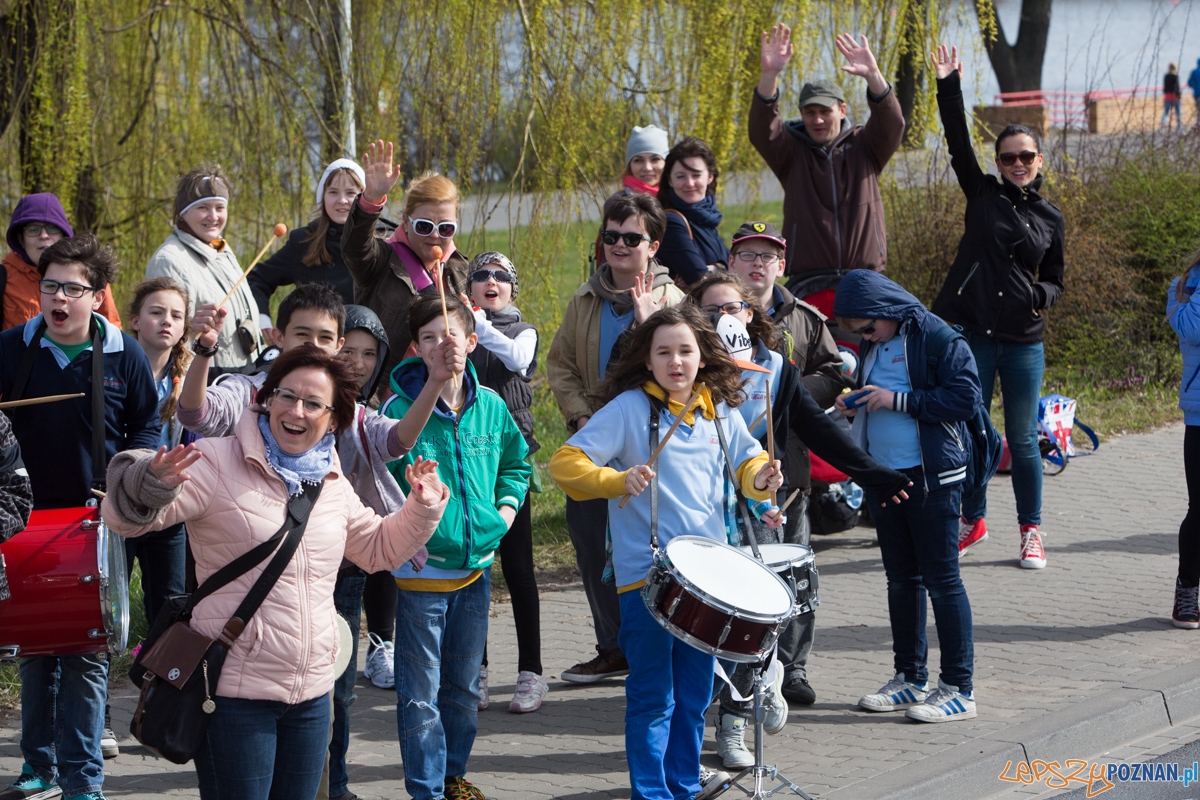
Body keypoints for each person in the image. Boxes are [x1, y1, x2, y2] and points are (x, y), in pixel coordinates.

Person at [101, 346, 450, 800]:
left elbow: (378, 548)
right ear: (267, 399)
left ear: (334, 420)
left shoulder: (332, 482)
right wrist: (148, 483)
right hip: (232, 693)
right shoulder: (215, 460)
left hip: (312, 694)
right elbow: (125, 520)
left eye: (313, 404)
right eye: (287, 396)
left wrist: (421, 507)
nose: (297, 411)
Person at [549, 303, 784, 800]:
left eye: (685, 351)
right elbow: (565, 463)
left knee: (695, 696)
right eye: (663, 352)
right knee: (653, 696)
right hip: (647, 577)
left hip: (709, 583)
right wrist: (616, 480)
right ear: (647, 360)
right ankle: (652, 794)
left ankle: (683, 785)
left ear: (703, 357)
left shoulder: (718, 410)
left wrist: (762, 478)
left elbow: (748, 464)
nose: (675, 361)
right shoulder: (629, 408)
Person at [688, 273, 910, 766]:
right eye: (709, 311)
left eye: (731, 308)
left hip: (760, 507)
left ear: (750, 314)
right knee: (704, 622)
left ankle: (735, 722)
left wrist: (873, 475)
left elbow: (819, 430)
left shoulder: (775, 370)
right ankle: (709, 709)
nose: (722, 318)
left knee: (751, 617)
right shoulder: (685, 368)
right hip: (701, 510)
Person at [0, 233, 161, 800]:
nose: (59, 298)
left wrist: (126, 484)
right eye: (50, 286)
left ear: (97, 296)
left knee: (86, 658)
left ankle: (84, 780)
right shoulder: (10, 347)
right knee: (34, 651)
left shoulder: (125, 353)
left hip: (96, 523)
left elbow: (146, 426)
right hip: (22, 523)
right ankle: (38, 768)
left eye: (73, 289)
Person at [382, 294, 531, 800]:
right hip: (421, 577)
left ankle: (452, 778)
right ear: (416, 348)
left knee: (464, 688)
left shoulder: (491, 405)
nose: (440, 346)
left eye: (449, 336)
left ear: (471, 342)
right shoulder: (398, 411)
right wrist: (403, 528)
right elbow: (378, 481)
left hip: (476, 572)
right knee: (420, 693)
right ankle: (425, 790)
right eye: (428, 338)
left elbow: (516, 464)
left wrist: (502, 517)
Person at [929, 45, 1065, 570]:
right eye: (1008, 158)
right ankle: (974, 520)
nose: (1018, 164)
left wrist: (1038, 296)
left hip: (1024, 340)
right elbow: (956, 140)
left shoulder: (1050, 217)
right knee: (973, 431)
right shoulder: (982, 194)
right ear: (998, 163)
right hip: (974, 335)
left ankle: (1031, 531)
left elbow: (1055, 280)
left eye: (1026, 156)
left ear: (1039, 160)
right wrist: (949, 84)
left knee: (1024, 440)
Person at [546, 192, 684, 683]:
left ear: (654, 246)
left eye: (631, 237)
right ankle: (613, 647)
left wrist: (649, 325)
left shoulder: (675, 303)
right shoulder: (584, 299)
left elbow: (685, 373)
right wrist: (581, 416)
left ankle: (664, 647)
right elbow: (560, 365)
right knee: (590, 543)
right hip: (595, 445)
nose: (619, 245)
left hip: (654, 452)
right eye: (611, 236)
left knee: (652, 552)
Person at [833, 268, 981, 724]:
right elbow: (880, 393)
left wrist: (896, 401)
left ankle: (958, 689)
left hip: (932, 477)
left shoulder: (939, 338)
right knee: (901, 580)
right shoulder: (876, 340)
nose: (866, 336)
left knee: (943, 581)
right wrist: (855, 403)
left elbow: (965, 400)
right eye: (859, 332)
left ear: (887, 310)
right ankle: (910, 679)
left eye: (868, 327)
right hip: (885, 476)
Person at [724, 220, 849, 705]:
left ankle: (791, 669)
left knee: (792, 570)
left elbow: (834, 371)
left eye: (767, 256)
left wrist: (789, 394)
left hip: (787, 469)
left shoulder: (806, 319)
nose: (757, 264)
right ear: (732, 262)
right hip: (723, 469)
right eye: (748, 255)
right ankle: (732, 675)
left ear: (781, 265)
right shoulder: (707, 312)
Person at [462, 251, 548, 713]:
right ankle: (474, 670)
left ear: (513, 288)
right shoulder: (462, 331)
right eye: (481, 275)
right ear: (470, 287)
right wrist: (463, 330)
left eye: (500, 276)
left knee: (518, 569)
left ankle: (531, 673)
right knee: (476, 567)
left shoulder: (521, 331)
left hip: (511, 464)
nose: (490, 281)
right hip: (470, 462)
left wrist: (477, 325)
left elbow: (517, 358)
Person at [750, 24, 904, 278]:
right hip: (809, 279)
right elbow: (761, 129)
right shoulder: (791, 151)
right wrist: (769, 75)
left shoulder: (865, 146)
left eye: (825, 111)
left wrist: (873, 75)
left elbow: (892, 124)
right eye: (810, 112)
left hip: (864, 276)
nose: (817, 120)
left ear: (842, 111)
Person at [342, 140, 470, 383]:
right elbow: (355, 248)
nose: (435, 235)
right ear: (405, 221)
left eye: (445, 228)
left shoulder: (460, 269)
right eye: (424, 226)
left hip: (446, 389)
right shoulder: (381, 260)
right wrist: (371, 200)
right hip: (388, 393)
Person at [144, 164, 261, 374]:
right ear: (183, 213)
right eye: (203, 208)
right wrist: (193, 328)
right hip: (205, 377)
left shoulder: (222, 251)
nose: (213, 217)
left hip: (244, 373)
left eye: (220, 208)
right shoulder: (169, 260)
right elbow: (160, 337)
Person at [124, 277, 194, 625]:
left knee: (169, 605)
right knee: (109, 599)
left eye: (176, 316)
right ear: (135, 321)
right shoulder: (114, 369)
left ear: (183, 329)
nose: (167, 321)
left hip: (168, 507)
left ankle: (157, 661)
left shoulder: (189, 379)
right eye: (156, 312)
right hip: (121, 502)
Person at [249, 159, 365, 337]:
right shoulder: (303, 241)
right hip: (314, 345)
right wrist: (262, 319)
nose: (342, 200)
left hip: (363, 348)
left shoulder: (382, 241)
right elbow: (256, 280)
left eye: (351, 193)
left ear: (364, 197)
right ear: (322, 197)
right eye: (333, 192)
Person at [2, 193, 122, 330]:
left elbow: (112, 330)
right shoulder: (4, 279)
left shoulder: (90, 273)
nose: (44, 236)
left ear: (63, 235)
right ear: (20, 238)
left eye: (52, 228)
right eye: (33, 229)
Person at [1165, 246, 1200, 629]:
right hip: (1199, 415)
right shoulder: (1182, 290)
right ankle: (1187, 589)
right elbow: (1192, 330)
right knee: (1199, 509)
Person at [655, 137, 728, 288]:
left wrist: (716, 269)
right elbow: (700, 278)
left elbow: (735, 263)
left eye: (696, 175)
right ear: (670, 180)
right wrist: (722, 268)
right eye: (680, 176)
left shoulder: (708, 218)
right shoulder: (671, 222)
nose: (689, 183)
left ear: (710, 176)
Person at [620, 125, 670, 197]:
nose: (647, 168)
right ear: (630, 166)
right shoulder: (617, 202)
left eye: (655, 159)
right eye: (638, 160)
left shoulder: (681, 199)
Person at [1164, 63, 1183, 132]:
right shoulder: (1176, 76)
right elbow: (1177, 88)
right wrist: (1179, 96)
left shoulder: (1166, 76)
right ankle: (1179, 127)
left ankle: (1162, 127)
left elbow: (1165, 87)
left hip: (1168, 96)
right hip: (1175, 96)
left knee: (1166, 112)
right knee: (1178, 113)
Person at [1188, 58, 1200, 126]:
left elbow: (1189, 83)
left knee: (1198, 110)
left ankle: (1198, 123)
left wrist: (1194, 86)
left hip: (1197, 94)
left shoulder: (1194, 72)